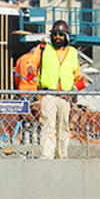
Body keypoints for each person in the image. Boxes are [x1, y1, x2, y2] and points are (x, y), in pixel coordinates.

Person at [30, 20, 85, 159]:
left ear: (66, 36)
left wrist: (80, 79)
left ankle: (62, 156)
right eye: (55, 34)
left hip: (65, 96)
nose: (57, 37)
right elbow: (32, 63)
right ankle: (46, 156)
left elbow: (76, 72)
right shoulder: (43, 48)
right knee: (48, 125)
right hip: (49, 93)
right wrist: (30, 68)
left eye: (61, 34)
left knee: (64, 127)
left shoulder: (72, 52)